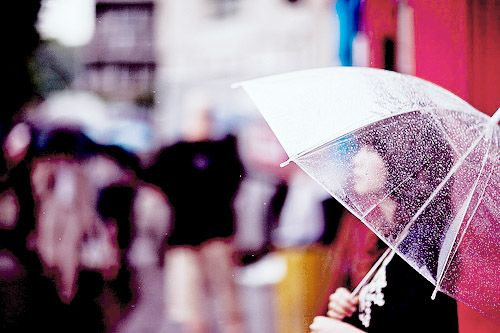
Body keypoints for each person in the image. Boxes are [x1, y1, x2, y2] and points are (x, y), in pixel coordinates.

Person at [310, 112, 459, 333]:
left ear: (400, 159)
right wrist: (348, 307)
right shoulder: (390, 236)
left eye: (370, 150)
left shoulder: (424, 247)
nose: (355, 160)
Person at [145, 94, 245, 333]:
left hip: (218, 236)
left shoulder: (223, 150)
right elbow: (153, 187)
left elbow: (235, 185)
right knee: (189, 309)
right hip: (182, 239)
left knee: (228, 304)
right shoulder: (171, 152)